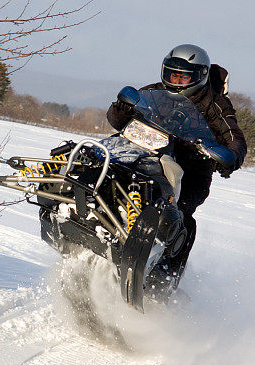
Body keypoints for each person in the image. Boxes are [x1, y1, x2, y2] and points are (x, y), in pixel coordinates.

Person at [106, 44, 247, 285]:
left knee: (182, 216)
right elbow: (119, 118)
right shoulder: (155, 91)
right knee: (110, 161)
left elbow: (234, 138)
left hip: (191, 166)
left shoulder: (216, 105)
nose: (176, 81)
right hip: (148, 153)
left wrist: (229, 157)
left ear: (200, 76)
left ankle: (164, 277)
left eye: (183, 76)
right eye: (172, 74)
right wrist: (122, 106)